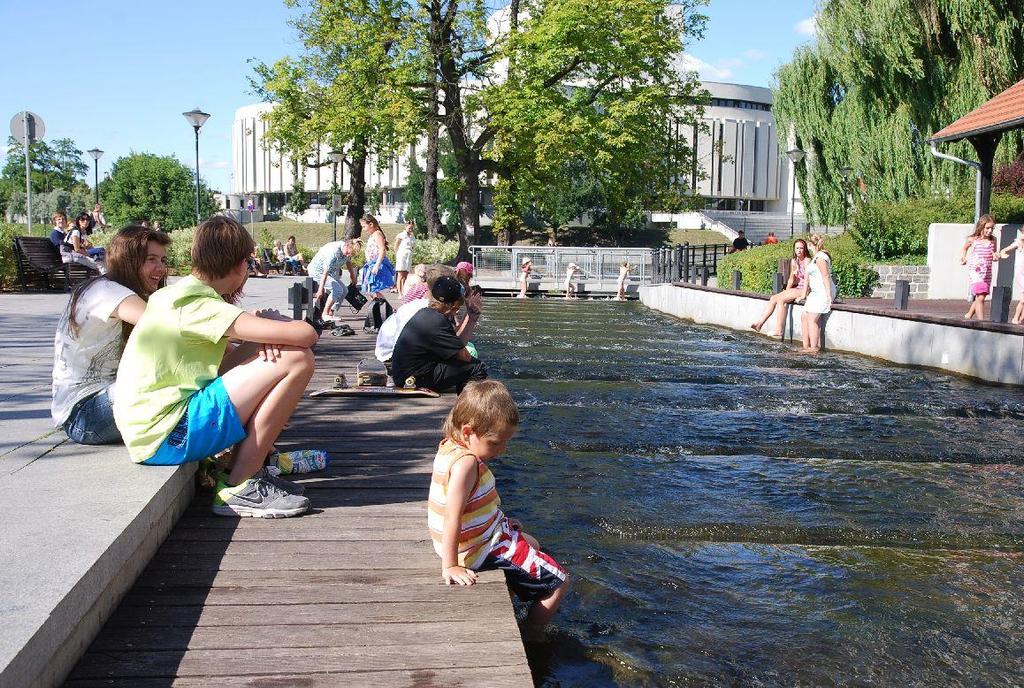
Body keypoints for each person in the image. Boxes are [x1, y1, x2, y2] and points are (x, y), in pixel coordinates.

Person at [113, 216, 318, 518]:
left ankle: (243, 469)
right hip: (168, 436)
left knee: (279, 355)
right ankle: (241, 486)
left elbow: (224, 370)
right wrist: (276, 323)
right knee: (298, 358)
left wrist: (261, 337)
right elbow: (306, 335)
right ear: (240, 265)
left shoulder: (174, 296)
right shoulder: (202, 307)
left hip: (154, 433)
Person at [428, 380, 567, 642]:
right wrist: (450, 566)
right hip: (475, 549)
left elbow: (470, 506)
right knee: (559, 583)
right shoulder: (467, 464)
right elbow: (452, 516)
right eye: (495, 443)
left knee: (534, 543)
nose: (502, 450)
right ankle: (533, 637)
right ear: (468, 431)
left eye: (506, 442)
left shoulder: (449, 446)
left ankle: (514, 590)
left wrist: (496, 519)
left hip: (482, 535)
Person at [51, 227, 171, 445]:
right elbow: (170, 327)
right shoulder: (106, 292)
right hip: (83, 414)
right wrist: (232, 333)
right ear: (128, 260)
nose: (161, 268)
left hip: (104, 401)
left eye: (163, 260)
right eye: (151, 259)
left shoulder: (120, 291)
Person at [391, 275, 485, 392]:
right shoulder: (437, 322)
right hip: (412, 379)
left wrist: (471, 318)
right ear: (454, 304)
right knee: (477, 367)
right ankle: (469, 404)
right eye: (459, 306)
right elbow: (464, 357)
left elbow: (457, 346)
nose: (458, 309)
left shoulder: (427, 314)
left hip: (404, 375)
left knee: (464, 364)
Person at [751, 239, 811, 336]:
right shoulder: (794, 261)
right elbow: (791, 279)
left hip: (806, 289)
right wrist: (786, 292)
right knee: (774, 298)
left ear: (805, 249)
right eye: (797, 248)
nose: (799, 250)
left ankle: (779, 330)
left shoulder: (807, 261)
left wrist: (803, 295)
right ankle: (759, 323)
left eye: (801, 248)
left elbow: (808, 281)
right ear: (794, 249)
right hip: (797, 288)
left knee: (781, 300)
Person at [798, 234, 836, 353]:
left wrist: (829, 296)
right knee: (804, 316)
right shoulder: (815, 257)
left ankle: (814, 348)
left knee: (812, 318)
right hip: (815, 293)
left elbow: (825, 276)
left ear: (810, 245)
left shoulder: (820, 257)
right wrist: (803, 295)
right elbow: (808, 280)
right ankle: (806, 346)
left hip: (823, 292)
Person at [960, 214, 999, 320]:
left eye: (992, 228)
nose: (990, 231)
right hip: (976, 271)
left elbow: (993, 253)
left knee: (981, 296)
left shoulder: (993, 240)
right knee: (981, 296)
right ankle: (982, 322)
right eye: (987, 228)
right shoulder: (973, 240)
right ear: (981, 227)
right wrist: (963, 257)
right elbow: (964, 249)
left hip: (987, 271)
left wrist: (995, 256)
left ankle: (969, 314)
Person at [309, 239, 358, 316]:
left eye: (350, 254)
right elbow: (325, 272)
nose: (348, 255)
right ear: (346, 245)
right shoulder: (333, 252)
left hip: (330, 273)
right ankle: (325, 313)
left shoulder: (347, 249)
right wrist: (320, 289)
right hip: (317, 272)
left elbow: (348, 262)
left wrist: (353, 277)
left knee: (344, 291)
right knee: (338, 290)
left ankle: (331, 310)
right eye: (348, 253)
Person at [358, 214, 396, 299]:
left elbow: (382, 250)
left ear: (371, 225)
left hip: (377, 264)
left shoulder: (377, 234)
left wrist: (377, 265)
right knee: (371, 290)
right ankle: (379, 307)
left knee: (375, 289)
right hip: (372, 264)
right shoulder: (373, 235)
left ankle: (384, 308)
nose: (363, 229)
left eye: (364, 227)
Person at [998, 225, 1024, 324]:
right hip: (1020, 273)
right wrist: (1003, 254)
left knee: (1023, 298)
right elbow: (1004, 250)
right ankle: (1016, 318)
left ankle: (1020, 319)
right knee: (1023, 299)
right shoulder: (1018, 243)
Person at [394, 219, 416, 294]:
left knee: (406, 274)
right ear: (405, 227)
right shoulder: (401, 235)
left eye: (412, 228)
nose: (411, 229)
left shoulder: (412, 236)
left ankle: (404, 291)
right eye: (409, 228)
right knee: (400, 274)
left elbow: (413, 246)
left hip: (409, 255)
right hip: (402, 255)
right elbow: (396, 246)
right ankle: (399, 292)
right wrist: (398, 254)